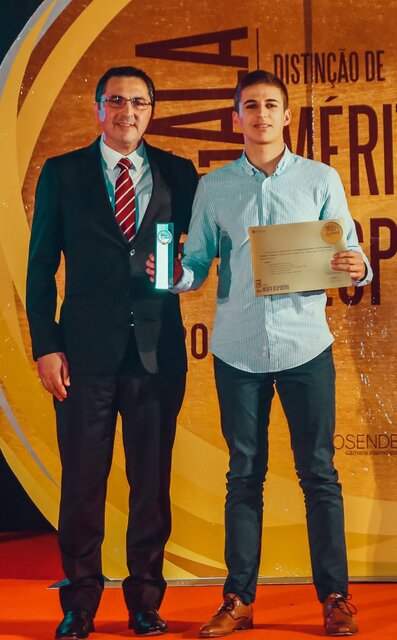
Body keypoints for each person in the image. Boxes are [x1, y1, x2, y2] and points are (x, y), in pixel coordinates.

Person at [149, 69, 371, 637]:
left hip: (306, 345)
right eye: (251, 106)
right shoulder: (216, 186)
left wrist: (359, 266)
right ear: (236, 118)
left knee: (319, 474)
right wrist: (176, 276)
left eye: (271, 105)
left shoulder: (320, 178)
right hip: (238, 350)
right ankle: (238, 600)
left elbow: (349, 250)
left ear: (287, 115)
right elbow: (196, 262)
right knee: (244, 475)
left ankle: (336, 598)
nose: (262, 115)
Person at [26, 66, 199, 639]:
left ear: (152, 110)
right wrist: (46, 346)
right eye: (117, 100)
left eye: (140, 102)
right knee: (82, 484)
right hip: (82, 356)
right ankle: (79, 605)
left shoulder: (178, 172)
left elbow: (201, 251)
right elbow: (40, 268)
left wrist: (184, 271)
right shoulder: (63, 172)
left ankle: (145, 601)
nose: (129, 111)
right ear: (99, 108)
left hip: (156, 352)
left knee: (151, 485)